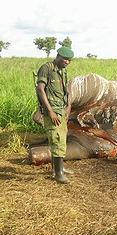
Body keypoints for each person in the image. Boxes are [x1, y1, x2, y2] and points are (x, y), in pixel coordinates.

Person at [35, 46, 74, 184]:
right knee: (57, 139)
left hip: (61, 110)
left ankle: (58, 168)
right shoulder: (46, 68)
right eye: (65, 59)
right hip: (52, 111)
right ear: (57, 56)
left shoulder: (62, 71)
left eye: (69, 60)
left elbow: (66, 90)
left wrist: (68, 105)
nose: (67, 62)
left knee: (61, 139)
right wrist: (50, 111)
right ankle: (58, 173)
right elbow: (40, 89)